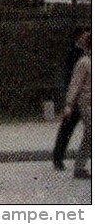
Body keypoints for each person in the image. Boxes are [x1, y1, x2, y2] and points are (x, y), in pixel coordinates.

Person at [54, 27, 90, 171]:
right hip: (78, 98)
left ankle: (79, 165)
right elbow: (71, 78)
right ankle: (58, 157)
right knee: (67, 129)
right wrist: (69, 101)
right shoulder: (74, 54)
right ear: (79, 37)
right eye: (85, 36)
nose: (86, 38)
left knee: (89, 133)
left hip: (86, 99)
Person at [64, 31, 91, 180]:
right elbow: (75, 84)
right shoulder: (84, 62)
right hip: (87, 103)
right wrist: (69, 104)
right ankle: (79, 167)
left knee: (90, 136)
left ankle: (79, 168)